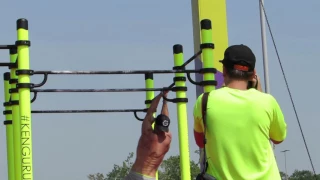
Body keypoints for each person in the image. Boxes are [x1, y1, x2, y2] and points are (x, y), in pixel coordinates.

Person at [193, 44, 287, 180]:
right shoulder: (267, 101)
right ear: (253, 74)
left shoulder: (205, 101)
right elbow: (278, 138)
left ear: (224, 70)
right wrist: (258, 92)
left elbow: (201, 142)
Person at [124, 91, 172, 180]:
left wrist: (161, 94)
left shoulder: (148, 135)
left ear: (156, 125)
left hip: (136, 175)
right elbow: (165, 117)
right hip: (151, 178)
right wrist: (165, 100)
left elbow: (150, 112)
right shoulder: (168, 138)